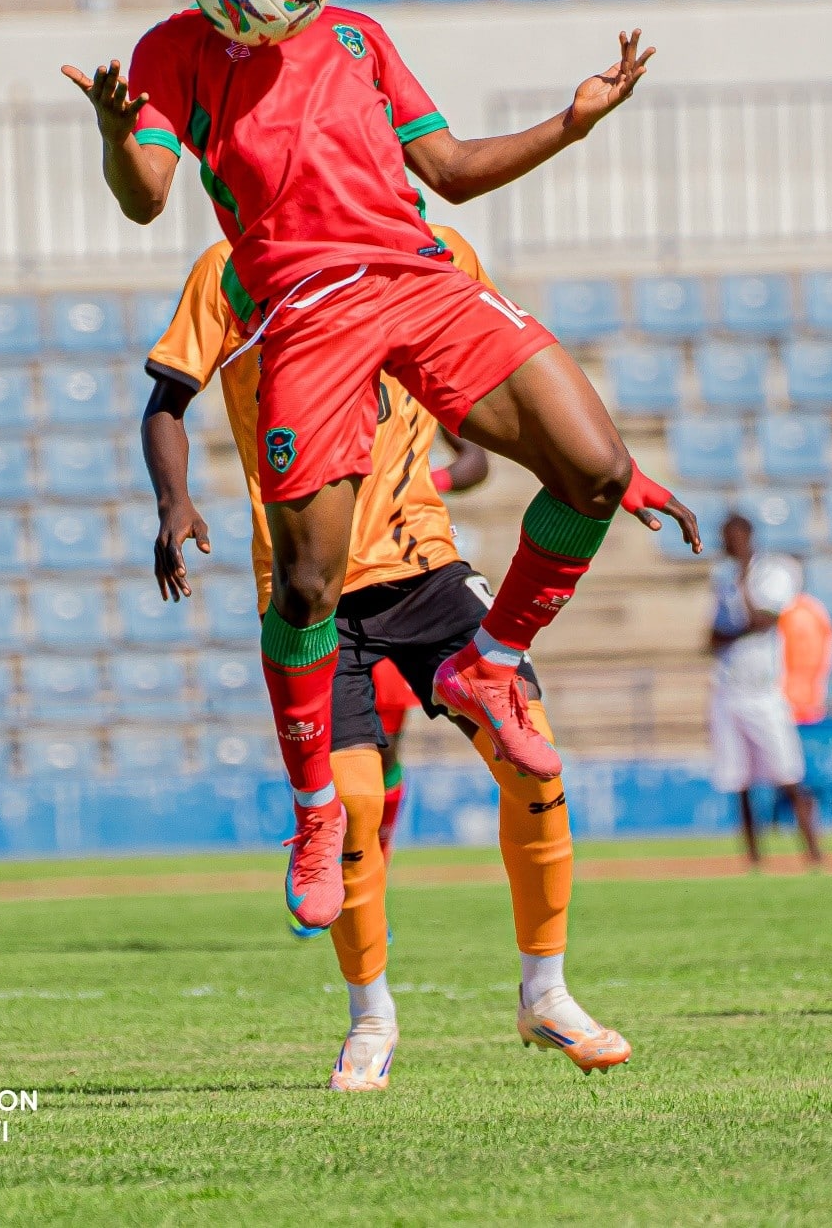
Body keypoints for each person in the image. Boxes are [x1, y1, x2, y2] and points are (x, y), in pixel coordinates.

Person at [64, 0, 670, 931]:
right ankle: (312, 808)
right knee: (305, 586)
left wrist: (569, 124)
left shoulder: (357, 35)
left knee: (595, 468)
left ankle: (491, 661)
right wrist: (117, 136)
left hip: (418, 274)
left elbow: (447, 173)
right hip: (305, 311)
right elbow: (146, 198)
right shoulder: (170, 52)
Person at [142, 223, 701, 1087]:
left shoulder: (441, 251)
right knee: (356, 809)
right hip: (309, 591)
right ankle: (371, 1020)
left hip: (427, 570)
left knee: (535, 764)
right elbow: (168, 400)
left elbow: (498, 389)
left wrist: (607, 470)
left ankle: (545, 994)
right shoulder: (230, 269)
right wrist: (173, 500)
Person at [375, 429, 490, 861]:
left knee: (384, 748)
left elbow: (475, 461)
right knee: (335, 749)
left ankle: (375, 869)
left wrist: (430, 481)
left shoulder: (413, 377)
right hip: (338, 584)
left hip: (404, 584)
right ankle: (325, 852)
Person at [708, 514, 824, 868]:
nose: (729, 545)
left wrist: (743, 597)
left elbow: (766, 620)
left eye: (733, 537)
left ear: (747, 537)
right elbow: (712, 636)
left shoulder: (774, 571)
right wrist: (741, 625)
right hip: (728, 689)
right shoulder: (722, 579)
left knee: (787, 774)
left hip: (763, 690)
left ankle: (812, 852)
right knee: (738, 778)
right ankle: (754, 857)